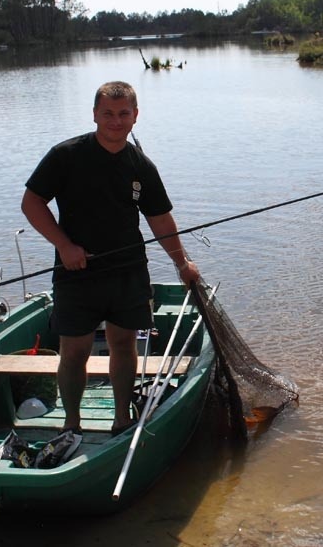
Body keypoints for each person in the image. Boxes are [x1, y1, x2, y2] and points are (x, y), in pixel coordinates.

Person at [21, 81, 200, 436]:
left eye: (123, 114)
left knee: (124, 344)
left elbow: (160, 219)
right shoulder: (66, 155)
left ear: (135, 116)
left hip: (127, 272)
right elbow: (32, 203)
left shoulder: (140, 165)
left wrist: (183, 263)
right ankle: (71, 424)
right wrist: (64, 246)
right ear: (94, 115)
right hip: (77, 272)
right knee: (74, 350)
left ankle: (122, 417)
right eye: (108, 114)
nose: (115, 121)